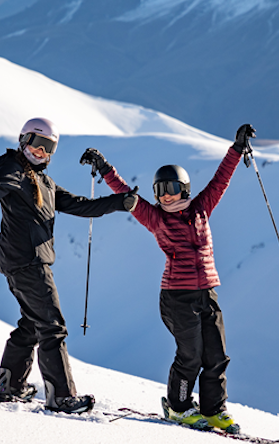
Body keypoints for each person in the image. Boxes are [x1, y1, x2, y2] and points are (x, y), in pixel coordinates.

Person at [80, 123, 255, 433]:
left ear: (184, 189)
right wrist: (105, 168)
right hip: (177, 298)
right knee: (190, 356)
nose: (167, 196)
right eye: (160, 191)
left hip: (207, 293)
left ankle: (214, 410)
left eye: (172, 189)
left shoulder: (201, 208)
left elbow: (221, 180)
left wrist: (237, 148)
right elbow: (125, 194)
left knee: (216, 355)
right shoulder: (155, 217)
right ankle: (178, 407)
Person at [0, 117, 138, 413]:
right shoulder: (13, 169)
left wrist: (119, 202)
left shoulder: (43, 181)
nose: (42, 152)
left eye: (49, 147)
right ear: (23, 140)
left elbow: (79, 204)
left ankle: (10, 384)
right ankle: (61, 396)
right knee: (52, 327)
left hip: (20, 261)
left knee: (31, 324)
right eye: (38, 144)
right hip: (28, 261)